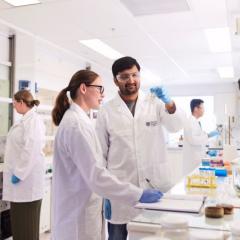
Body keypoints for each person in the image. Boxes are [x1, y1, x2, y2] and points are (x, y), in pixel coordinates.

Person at [51, 69, 162, 240]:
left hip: (83, 210)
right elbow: (96, 175)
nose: (103, 94)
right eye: (100, 88)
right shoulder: (76, 125)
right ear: (83, 88)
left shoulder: (80, 121)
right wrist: (138, 194)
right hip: (77, 221)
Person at [95, 56, 185, 240]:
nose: (131, 80)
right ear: (115, 80)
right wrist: (106, 194)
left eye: (135, 75)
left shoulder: (155, 103)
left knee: (154, 236)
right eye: (124, 76)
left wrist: (169, 103)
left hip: (155, 188)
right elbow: (100, 155)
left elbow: (175, 126)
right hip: (121, 194)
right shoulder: (107, 110)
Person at [3, 90, 46, 240]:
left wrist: (19, 174)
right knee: (21, 229)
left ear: (21, 102)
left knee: (27, 230)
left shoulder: (33, 121)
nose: (14, 106)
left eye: (15, 102)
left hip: (27, 187)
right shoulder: (24, 121)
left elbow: (31, 150)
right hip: (21, 187)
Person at [182, 99, 219, 175]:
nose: (203, 110)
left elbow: (200, 138)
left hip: (197, 159)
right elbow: (193, 140)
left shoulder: (195, 122)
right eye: (202, 108)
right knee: (192, 181)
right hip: (192, 162)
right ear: (196, 109)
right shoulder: (190, 122)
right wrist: (208, 135)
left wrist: (207, 152)